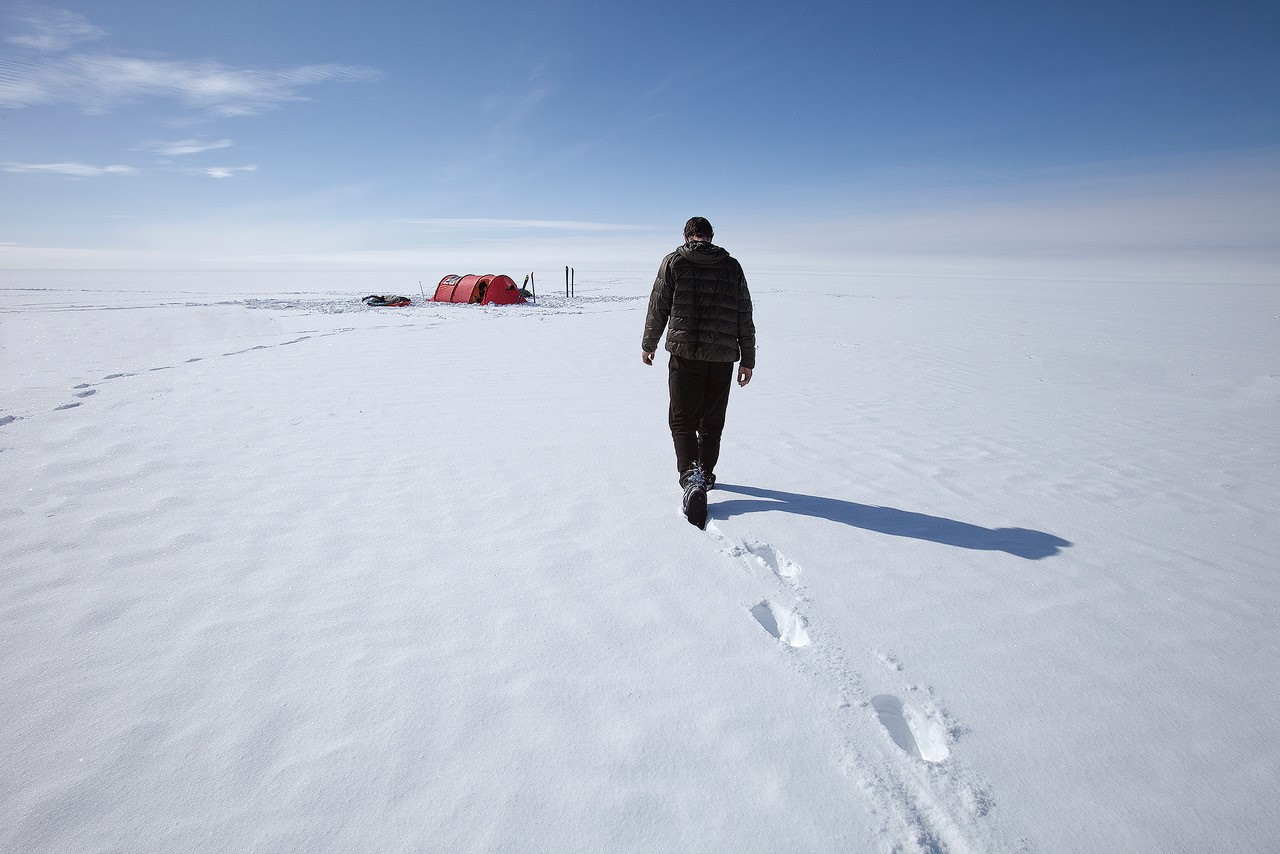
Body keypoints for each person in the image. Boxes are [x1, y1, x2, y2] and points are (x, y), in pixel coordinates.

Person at [642, 216, 755, 529]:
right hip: (722, 357)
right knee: (711, 421)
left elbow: (658, 306)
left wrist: (649, 344)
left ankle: (693, 480)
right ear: (711, 236)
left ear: (686, 235)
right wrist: (748, 359)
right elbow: (744, 314)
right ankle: (704, 474)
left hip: (685, 355)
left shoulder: (674, 262)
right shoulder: (731, 266)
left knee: (682, 420)